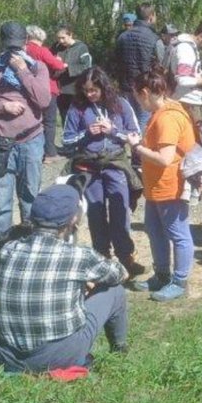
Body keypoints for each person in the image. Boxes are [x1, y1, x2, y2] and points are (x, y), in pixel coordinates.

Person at [0, 184, 129, 372]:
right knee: (115, 290)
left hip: (5, 355)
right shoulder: (78, 256)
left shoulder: (9, 249)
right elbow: (120, 274)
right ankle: (119, 349)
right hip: (57, 357)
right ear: (73, 218)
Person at [0, 21, 52, 239]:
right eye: (10, 46)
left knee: (31, 199)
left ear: (26, 42)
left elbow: (44, 100)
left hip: (31, 140)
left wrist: (23, 72)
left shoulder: (37, 67)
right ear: (2, 43)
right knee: (0, 204)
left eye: (18, 46)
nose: (14, 51)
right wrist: (0, 106)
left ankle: (31, 248)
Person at [61, 67, 144, 276]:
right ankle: (102, 258)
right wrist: (86, 133)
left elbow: (136, 135)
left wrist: (113, 131)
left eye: (93, 90)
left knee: (120, 210)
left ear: (103, 87)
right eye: (86, 90)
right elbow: (67, 141)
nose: (89, 95)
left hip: (115, 165)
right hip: (89, 167)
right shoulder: (77, 108)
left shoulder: (121, 105)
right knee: (96, 213)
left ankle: (126, 258)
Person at [127, 66, 197, 302]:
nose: (137, 101)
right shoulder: (163, 112)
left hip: (170, 186)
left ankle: (179, 281)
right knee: (155, 231)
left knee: (178, 234)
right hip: (155, 187)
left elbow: (165, 158)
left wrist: (137, 147)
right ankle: (161, 275)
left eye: (137, 96)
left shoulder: (168, 117)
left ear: (145, 92)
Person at [116, 2, 166, 129]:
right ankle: (140, 148)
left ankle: (133, 147)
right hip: (145, 88)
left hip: (126, 86)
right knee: (145, 121)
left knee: (129, 121)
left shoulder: (122, 37)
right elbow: (162, 64)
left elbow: (115, 61)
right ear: (151, 16)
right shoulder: (155, 39)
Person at [25, 26, 68, 159]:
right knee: (49, 121)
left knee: (34, 119)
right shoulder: (42, 51)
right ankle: (49, 152)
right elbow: (58, 66)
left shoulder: (23, 50)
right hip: (47, 88)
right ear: (40, 38)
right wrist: (61, 62)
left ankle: (32, 149)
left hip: (28, 88)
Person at [169, 21, 202, 122]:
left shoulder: (189, 47)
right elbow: (183, 79)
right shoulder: (186, 49)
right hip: (187, 101)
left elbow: (187, 73)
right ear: (201, 37)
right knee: (199, 136)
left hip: (188, 100)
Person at [53, 26, 94, 135]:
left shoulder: (81, 47)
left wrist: (68, 67)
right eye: (58, 38)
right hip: (61, 88)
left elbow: (87, 66)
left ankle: (81, 140)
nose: (60, 41)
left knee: (78, 116)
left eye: (63, 38)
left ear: (70, 35)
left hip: (76, 88)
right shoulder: (57, 47)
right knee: (64, 116)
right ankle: (68, 141)